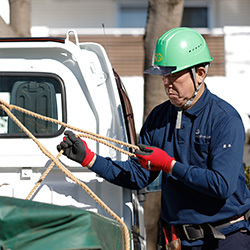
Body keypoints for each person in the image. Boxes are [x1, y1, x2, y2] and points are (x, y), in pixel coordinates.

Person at [57, 27, 250, 249]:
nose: (167, 83)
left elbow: (222, 185)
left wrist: (169, 165)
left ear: (200, 74)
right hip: (177, 242)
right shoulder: (158, 117)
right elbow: (138, 176)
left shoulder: (224, 119)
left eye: (174, 74)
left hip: (226, 240)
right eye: (163, 75)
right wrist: (89, 159)